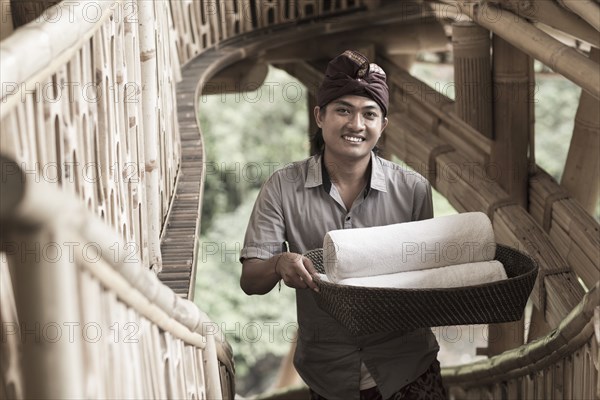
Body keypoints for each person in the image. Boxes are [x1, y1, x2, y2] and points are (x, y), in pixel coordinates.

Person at [239, 50, 447, 400]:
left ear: (383, 125)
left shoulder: (413, 189)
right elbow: (250, 281)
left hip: (409, 370)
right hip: (330, 378)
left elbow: (423, 280)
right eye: (343, 110)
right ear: (319, 116)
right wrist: (278, 263)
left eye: (369, 114)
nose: (356, 124)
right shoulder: (282, 187)